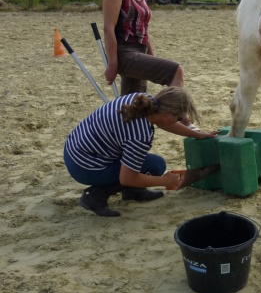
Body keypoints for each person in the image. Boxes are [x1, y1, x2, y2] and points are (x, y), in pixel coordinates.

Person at [63, 86, 219, 217]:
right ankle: (95, 196)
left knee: (156, 164)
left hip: (74, 148)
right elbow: (127, 178)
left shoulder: (143, 100)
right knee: (153, 169)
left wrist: (197, 134)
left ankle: (133, 193)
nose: (178, 122)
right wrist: (165, 181)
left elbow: (164, 122)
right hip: (84, 166)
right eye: (178, 118)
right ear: (168, 113)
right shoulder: (139, 135)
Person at [101, 0, 196, 128]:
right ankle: (183, 120)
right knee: (176, 71)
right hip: (125, 53)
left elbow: (145, 30)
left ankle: (122, 140)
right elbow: (108, 28)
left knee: (132, 106)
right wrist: (113, 63)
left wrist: (151, 57)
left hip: (139, 52)